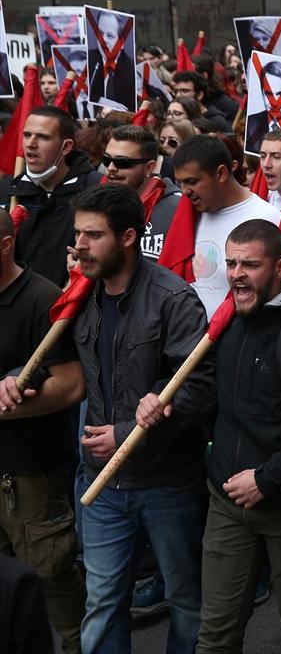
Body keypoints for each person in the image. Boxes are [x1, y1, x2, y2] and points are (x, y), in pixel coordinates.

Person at [149, 219, 281, 653]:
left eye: (250, 265)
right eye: (231, 263)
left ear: (280, 267)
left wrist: (266, 479)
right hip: (226, 500)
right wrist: (162, 400)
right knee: (215, 634)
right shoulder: (228, 325)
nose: (237, 274)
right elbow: (205, 394)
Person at [71, 184, 215, 654]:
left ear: (128, 237)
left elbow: (198, 388)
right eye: (78, 234)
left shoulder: (173, 299)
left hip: (166, 483)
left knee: (186, 600)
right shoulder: (80, 295)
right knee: (102, 602)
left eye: (93, 235)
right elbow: (64, 366)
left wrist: (127, 433)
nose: (80, 246)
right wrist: (17, 379)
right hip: (102, 484)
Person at [0, 208, 86, 654]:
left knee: (51, 576)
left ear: (5, 245)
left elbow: (71, 385)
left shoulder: (40, 298)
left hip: (29, 473)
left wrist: (10, 402)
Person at [171, 135, 281, 317]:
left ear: (221, 173)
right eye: (180, 183)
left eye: (192, 182)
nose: (185, 191)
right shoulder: (186, 216)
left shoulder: (267, 217)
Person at [1, 106, 103, 285]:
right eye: (27, 135)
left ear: (66, 147)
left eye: (43, 137)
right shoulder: (7, 188)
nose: (31, 144)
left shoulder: (96, 190)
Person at [102, 124, 183, 261]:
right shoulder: (98, 203)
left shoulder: (177, 208)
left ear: (149, 167)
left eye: (122, 162)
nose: (111, 168)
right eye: (107, 160)